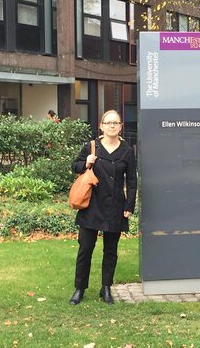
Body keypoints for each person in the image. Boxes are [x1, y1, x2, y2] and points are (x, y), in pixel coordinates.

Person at [70, 110, 137, 305]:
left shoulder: (126, 150)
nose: (112, 126)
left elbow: (132, 181)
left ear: (120, 126)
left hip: (115, 206)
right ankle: (79, 288)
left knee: (111, 250)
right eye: (108, 123)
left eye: (116, 123)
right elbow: (74, 166)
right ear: (101, 126)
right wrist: (85, 163)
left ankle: (106, 288)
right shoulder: (92, 146)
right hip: (91, 205)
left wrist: (129, 205)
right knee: (85, 249)